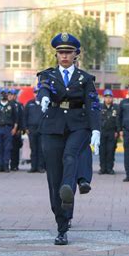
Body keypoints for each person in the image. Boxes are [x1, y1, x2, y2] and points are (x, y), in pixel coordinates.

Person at [36, 32, 100, 245]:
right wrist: (44, 97)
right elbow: (43, 88)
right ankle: (61, 221)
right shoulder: (47, 75)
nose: (64, 56)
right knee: (54, 178)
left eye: (69, 52)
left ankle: (68, 190)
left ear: (76, 54)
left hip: (78, 125)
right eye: (61, 52)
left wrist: (96, 130)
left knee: (70, 157)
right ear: (56, 54)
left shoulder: (85, 78)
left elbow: (92, 105)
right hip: (52, 125)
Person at [0, 88, 18, 173]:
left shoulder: (12, 105)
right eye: (2, 93)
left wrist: (15, 128)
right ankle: (0, 165)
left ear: (8, 95)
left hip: (8, 128)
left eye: (5, 94)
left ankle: (6, 165)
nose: (4, 95)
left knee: (8, 148)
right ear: (0, 95)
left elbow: (15, 118)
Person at [24, 87, 45, 173]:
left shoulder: (44, 103)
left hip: (42, 129)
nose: (37, 94)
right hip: (31, 129)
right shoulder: (29, 103)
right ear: (33, 93)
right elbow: (25, 116)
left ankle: (40, 167)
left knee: (41, 149)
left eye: (38, 92)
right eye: (35, 92)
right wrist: (25, 128)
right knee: (33, 148)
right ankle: (33, 167)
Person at [98, 89, 119, 175]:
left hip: (112, 132)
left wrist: (117, 130)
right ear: (104, 98)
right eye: (106, 97)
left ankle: (110, 168)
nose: (108, 99)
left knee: (111, 151)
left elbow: (118, 120)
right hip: (102, 132)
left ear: (112, 98)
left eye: (110, 97)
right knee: (102, 151)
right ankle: (102, 168)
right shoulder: (99, 107)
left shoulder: (116, 108)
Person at [8, 89, 24, 171]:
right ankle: (8, 164)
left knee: (16, 148)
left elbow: (21, 118)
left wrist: (20, 129)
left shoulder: (19, 105)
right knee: (8, 148)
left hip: (16, 130)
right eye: (10, 94)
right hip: (8, 129)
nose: (11, 96)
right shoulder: (6, 105)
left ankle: (15, 165)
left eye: (13, 94)